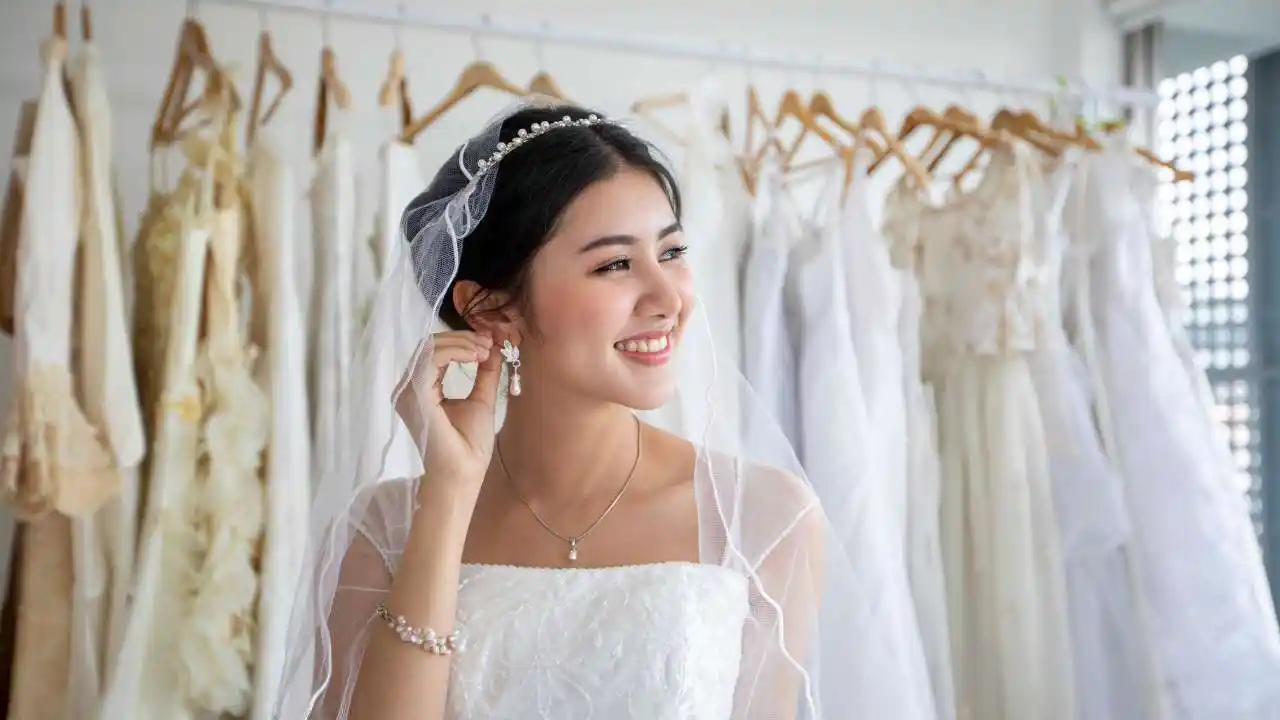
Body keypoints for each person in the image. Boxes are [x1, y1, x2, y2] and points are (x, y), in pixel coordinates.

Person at [276, 101, 938, 719]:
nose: (667, 296)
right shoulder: (383, 530)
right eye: (616, 264)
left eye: (672, 253)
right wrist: (447, 497)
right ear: (491, 308)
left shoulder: (764, 519)